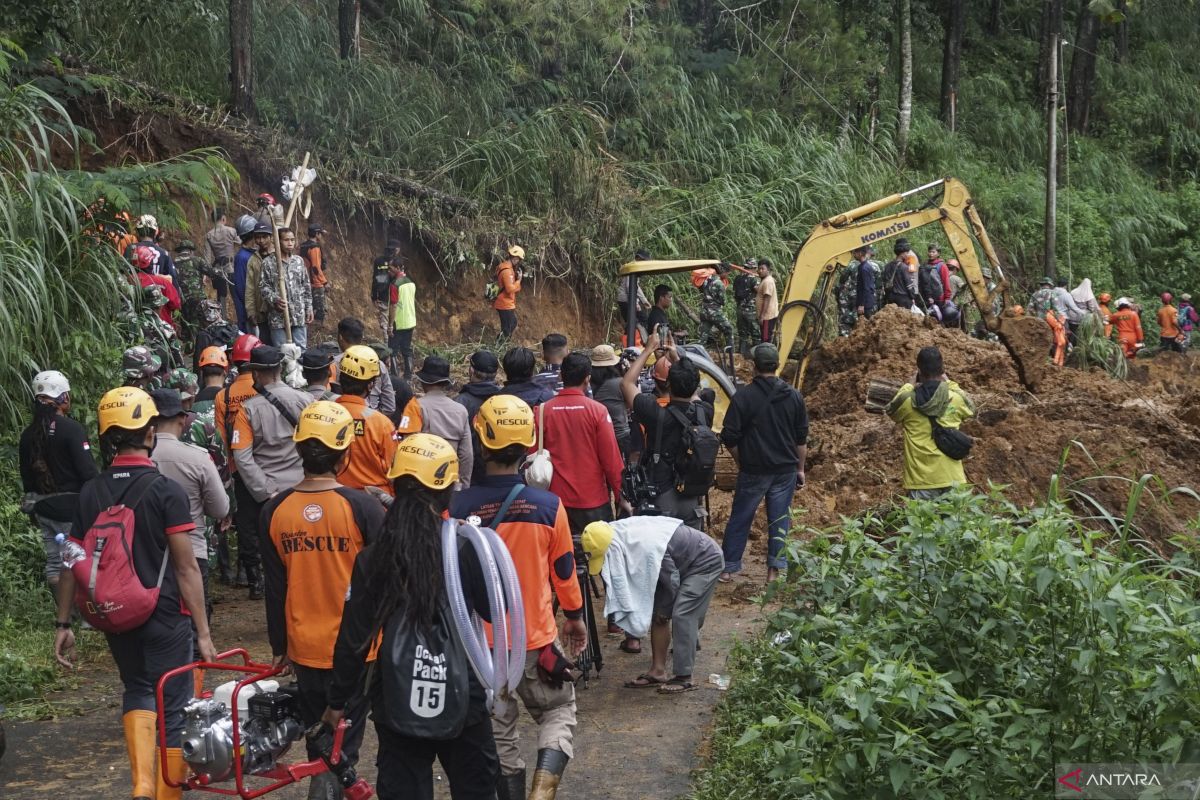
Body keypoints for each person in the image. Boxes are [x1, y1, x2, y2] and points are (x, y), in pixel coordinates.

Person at [53, 386, 215, 800]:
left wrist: (64, 622)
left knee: (139, 689)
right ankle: (166, 795)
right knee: (174, 706)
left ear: (108, 437)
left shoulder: (91, 492)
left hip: (114, 612)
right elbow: (185, 566)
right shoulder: (165, 491)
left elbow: (72, 560)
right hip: (164, 614)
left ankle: (142, 786)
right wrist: (203, 631)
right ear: (149, 434)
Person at [323, 434, 499, 799]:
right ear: (446, 489)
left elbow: (353, 640)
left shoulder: (374, 557)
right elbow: (495, 610)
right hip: (463, 691)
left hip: (397, 693)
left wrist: (337, 702)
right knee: (476, 789)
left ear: (395, 483)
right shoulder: (465, 547)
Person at [450, 397, 586, 800]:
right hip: (534, 640)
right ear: (528, 445)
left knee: (499, 732)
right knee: (559, 710)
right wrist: (575, 615)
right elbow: (563, 571)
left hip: (480, 648)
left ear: (481, 439)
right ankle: (542, 792)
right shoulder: (548, 506)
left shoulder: (455, 507)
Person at [262, 401, 382, 800]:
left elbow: (276, 586)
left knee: (321, 735)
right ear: (345, 452)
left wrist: (280, 645)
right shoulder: (363, 507)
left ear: (298, 450)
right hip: (358, 648)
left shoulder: (275, 510)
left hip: (305, 646)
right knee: (341, 744)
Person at [582, 517, 721, 695]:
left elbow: (671, 580)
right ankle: (658, 672)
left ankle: (684, 677)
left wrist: (666, 609)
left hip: (703, 561)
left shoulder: (645, 547)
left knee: (682, 614)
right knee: (659, 614)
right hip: (678, 561)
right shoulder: (614, 534)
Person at [719, 343, 808, 583]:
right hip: (785, 470)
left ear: (754, 366)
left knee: (741, 517)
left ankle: (728, 568)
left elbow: (729, 436)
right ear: (777, 366)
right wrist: (800, 469)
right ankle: (773, 571)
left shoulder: (744, 397)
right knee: (780, 520)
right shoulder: (794, 396)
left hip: (754, 469)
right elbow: (801, 439)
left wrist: (741, 461)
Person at [229, 346, 312, 598]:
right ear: (279, 370)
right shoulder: (307, 401)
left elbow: (241, 457)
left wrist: (266, 491)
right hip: (304, 487)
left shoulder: (247, 411)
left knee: (273, 552)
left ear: (255, 373)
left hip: (268, 494)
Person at [150, 388, 229, 629]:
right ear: (183, 419)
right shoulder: (197, 458)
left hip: (148, 553)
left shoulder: (141, 458)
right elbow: (220, 508)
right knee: (194, 621)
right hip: (193, 550)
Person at [620, 336, 713, 530]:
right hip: (692, 497)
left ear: (668, 384)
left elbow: (627, 384)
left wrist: (648, 349)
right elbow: (692, 388)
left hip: (662, 497)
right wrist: (678, 360)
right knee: (688, 554)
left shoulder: (654, 412)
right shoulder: (704, 412)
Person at [19, 370, 98, 591]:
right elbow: (87, 472)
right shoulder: (71, 429)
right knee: (80, 559)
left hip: (43, 508)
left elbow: (27, 479)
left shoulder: (27, 435)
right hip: (71, 508)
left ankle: (64, 612)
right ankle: (85, 615)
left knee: (55, 563)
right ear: (63, 398)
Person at [540, 352, 627, 539]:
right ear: (588, 378)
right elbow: (611, 459)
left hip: (554, 502)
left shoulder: (542, 411)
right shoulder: (597, 411)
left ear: (561, 376)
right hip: (593, 501)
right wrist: (621, 496)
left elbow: (533, 456)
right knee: (598, 558)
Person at [885, 346, 974, 500]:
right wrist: (949, 383)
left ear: (919, 370)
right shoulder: (956, 399)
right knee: (956, 524)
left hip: (921, 482)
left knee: (921, 524)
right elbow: (971, 407)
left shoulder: (907, 401)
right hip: (953, 479)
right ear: (942, 369)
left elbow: (892, 409)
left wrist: (909, 384)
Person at [335, 345, 398, 495]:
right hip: (376, 500)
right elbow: (394, 469)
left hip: (337, 496)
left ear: (340, 378)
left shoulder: (327, 415)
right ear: (370, 384)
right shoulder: (381, 423)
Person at [416, 356, 474, 487]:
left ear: (423, 381)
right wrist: (464, 485)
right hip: (450, 481)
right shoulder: (460, 410)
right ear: (445, 383)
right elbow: (466, 455)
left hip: (422, 481)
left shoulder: (416, 407)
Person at [457, 350, 504, 486]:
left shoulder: (460, 403)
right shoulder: (505, 400)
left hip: (469, 478)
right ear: (496, 375)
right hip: (498, 474)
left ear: (471, 371)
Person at [260, 228, 314, 348]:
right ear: (277, 242)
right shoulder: (268, 263)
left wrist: (309, 307)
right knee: (283, 353)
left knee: (300, 350)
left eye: (292, 240)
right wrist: (274, 299)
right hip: (278, 318)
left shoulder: (299, 261)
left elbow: (306, 286)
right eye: (286, 240)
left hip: (298, 316)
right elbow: (264, 287)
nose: (290, 243)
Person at [338, 316, 396, 414]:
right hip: (372, 420)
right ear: (361, 339)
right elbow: (389, 406)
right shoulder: (378, 364)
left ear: (340, 337)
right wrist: (374, 418)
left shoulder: (336, 363)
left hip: (341, 418)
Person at [590, 345, 630, 456]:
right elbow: (631, 403)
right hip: (618, 435)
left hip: (595, 437)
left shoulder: (586, 383)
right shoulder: (620, 383)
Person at [132, 244, 182, 328]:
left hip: (135, 327)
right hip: (162, 327)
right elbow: (175, 304)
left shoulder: (128, 281)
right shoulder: (162, 282)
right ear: (150, 262)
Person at [201, 208, 240, 312]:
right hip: (232, 268)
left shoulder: (208, 235)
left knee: (221, 296)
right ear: (223, 218)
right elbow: (242, 244)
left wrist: (205, 275)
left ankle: (223, 319)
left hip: (218, 270)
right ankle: (242, 320)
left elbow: (207, 257)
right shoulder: (232, 231)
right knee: (237, 295)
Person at [173, 239, 210, 346]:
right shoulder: (197, 260)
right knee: (199, 323)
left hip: (181, 299)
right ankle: (199, 347)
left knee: (185, 323)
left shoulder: (173, 262)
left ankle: (189, 346)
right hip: (197, 297)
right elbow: (211, 271)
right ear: (190, 251)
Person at [123, 214, 178, 283]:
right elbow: (173, 278)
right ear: (156, 232)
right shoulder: (164, 253)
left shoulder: (131, 249)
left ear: (137, 232)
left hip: (135, 291)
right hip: (159, 292)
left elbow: (122, 273)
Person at [191, 300, 239, 374]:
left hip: (215, 376)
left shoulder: (204, 335)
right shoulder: (233, 328)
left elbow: (199, 364)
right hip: (235, 373)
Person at [388, 259, 417, 379]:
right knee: (406, 349)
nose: (389, 271)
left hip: (398, 323)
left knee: (393, 351)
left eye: (391, 268)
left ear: (398, 268)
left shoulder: (395, 285)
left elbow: (394, 305)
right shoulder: (411, 282)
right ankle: (408, 376)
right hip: (410, 321)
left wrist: (390, 325)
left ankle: (394, 377)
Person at [697, 261, 733, 350]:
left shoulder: (706, 280)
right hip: (714, 312)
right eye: (727, 273)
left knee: (703, 336)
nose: (727, 276)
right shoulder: (719, 283)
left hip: (704, 311)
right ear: (723, 272)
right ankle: (731, 355)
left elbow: (701, 290)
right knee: (728, 330)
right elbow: (723, 301)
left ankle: (699, 354)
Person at [299, 223, 329, 326]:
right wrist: (325, 282)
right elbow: (316, 268)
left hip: (305, 281)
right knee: (319, 311)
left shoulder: (303, 246)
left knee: (308, 308)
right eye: (320, 234)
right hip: (315, 284)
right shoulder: (314, 248)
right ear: (316, 234)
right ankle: (317, 333)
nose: (321, 236)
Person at [493, 245, 524, 340]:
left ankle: (501, 344)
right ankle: (500, 345)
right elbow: (509, 289)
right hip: (504, 303)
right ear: (515, 258)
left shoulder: (503, 267)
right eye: (518, 259)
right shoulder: (507, 271)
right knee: (508, 327)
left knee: (511, 324)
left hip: (504, 302)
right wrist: (518, 280)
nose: (518, 261)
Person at [371, 241, 399, 341]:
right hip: (394, 297)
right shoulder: (397, 262)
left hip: (382, 295)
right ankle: (391, 346)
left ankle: (386, 345)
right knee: (392, 322)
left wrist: (374, 296)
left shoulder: (378, 261)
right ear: (396, 250)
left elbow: (375, 278)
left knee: (384, 322)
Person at [882, 239, 919, 308]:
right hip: (903, 299)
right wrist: (912, 297)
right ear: (902, 254)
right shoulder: (904, 267)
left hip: (891, 298)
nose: (908, 255)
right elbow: (909, 285)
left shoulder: (887, 266)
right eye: (907, 253)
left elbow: (885, 282)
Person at [732, 260, 759, 356]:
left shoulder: (738, 278)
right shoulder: (754, 279)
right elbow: (759, 290)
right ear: (753, 268)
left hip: (739, 309)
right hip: (750, 310)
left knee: (743, 335)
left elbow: (735, 292)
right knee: (756, 334)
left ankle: (741, 356)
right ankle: (758, 357)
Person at [756, 259, 780, 343]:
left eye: (762, 269)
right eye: (759, 269)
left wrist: (762, 316)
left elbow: (767, 299)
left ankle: (765, 354)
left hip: (767, 316)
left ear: (768, 270)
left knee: (765, 338)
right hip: (766, 315)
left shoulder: (767, 282)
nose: (760, 271)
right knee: (765, 336)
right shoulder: (766, 280)